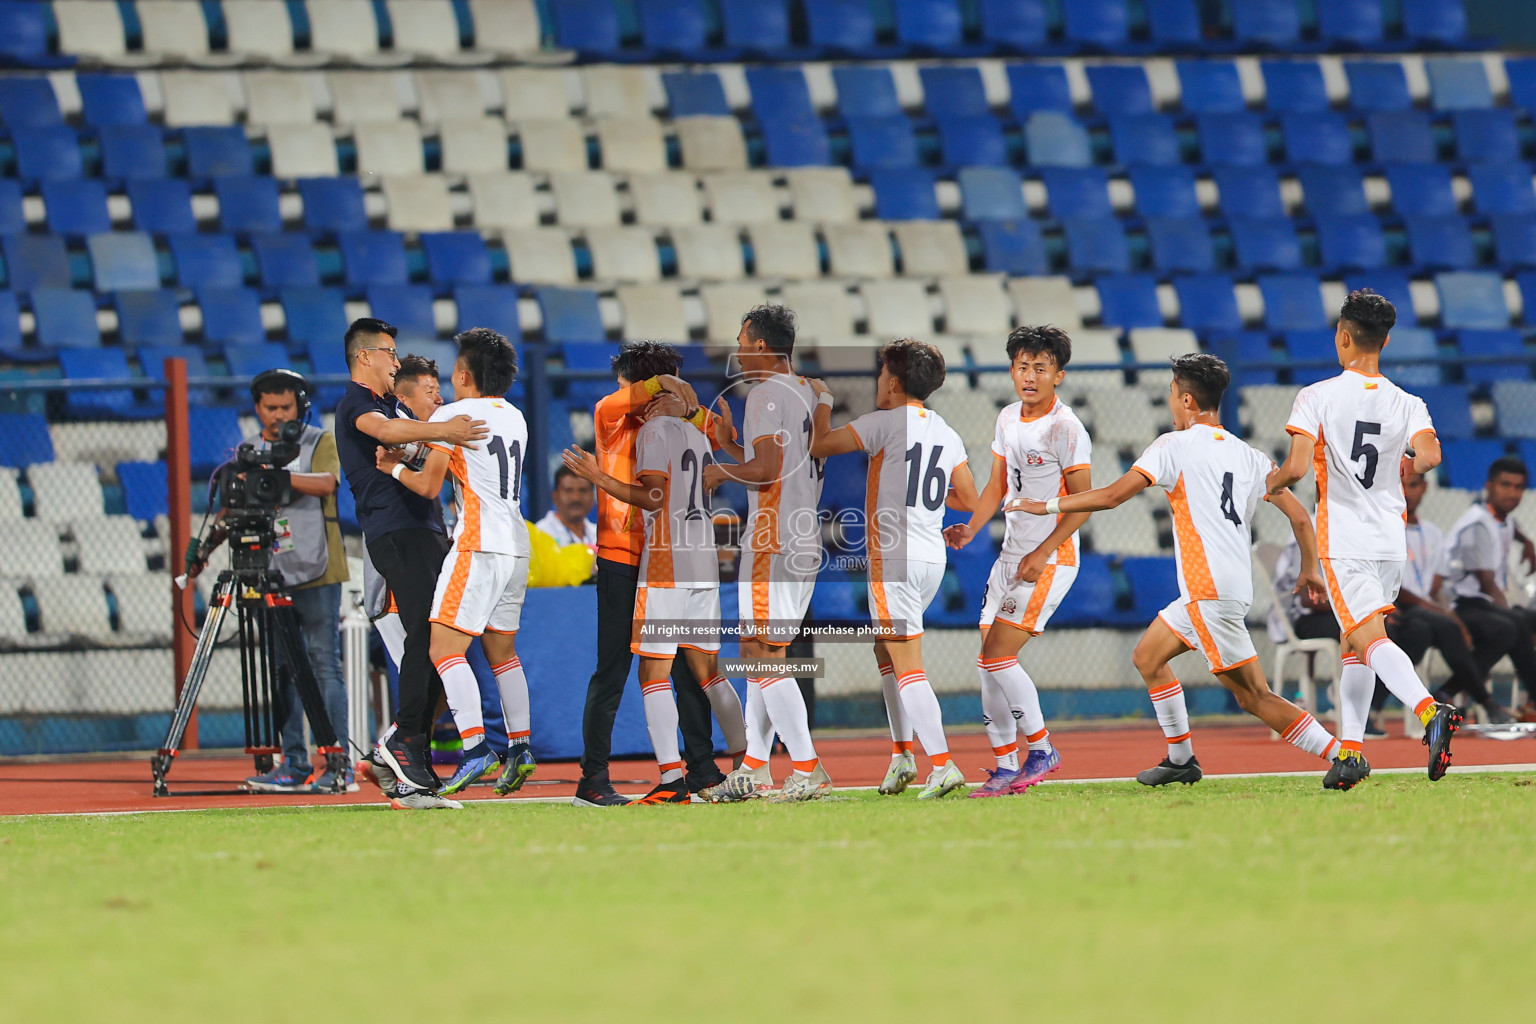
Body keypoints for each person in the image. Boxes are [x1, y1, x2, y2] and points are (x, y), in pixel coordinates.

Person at [1013, 354, 1350, 785]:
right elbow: (1301, 517)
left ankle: (1342, 754)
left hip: (1208, 591)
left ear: (1187, 400)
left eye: (1172, 394)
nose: (1171, 403)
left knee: (1253, 696)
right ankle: (1180, 759)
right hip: (1216, 589)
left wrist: (1045, 504)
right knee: (1148, 657)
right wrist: (1310, 567)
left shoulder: (1172, 446)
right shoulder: (1250, 456)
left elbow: (1113, 496)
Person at [1267, 289, 1459, 786]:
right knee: (1352, 641)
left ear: (1343, 336)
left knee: (1368, 638)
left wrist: (1272, 484)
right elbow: (1430, 457)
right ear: (1386, 340)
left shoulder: (1317, 396)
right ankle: (1351, 752)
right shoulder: (1408, 402)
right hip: (1390, 541)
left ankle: (1428, 709)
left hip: (1344, 538)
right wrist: (1408, 462)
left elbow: (1294, 466)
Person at [807, 339, 979, 799]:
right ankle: (902, 755)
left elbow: (819, 444)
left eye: (882, 373)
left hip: (894, 559)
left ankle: (941, 764)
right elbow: (968, 499)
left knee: (906, 665)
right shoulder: (945, 430)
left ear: (894, 382)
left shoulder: (884, 423)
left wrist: (823, 400)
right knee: (886, 652)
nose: (877, 381)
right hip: (931, 558)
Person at [562, 394, 748, 804]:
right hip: (704, 559)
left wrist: (600, 477)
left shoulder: (652, 431)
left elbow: (655, 498)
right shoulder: (698, 435)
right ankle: (747, 768)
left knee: (653, 674)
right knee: (708, 672)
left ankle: (669, 781)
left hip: (667, 561)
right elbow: (725, 436)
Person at [334, 317, 488, 807]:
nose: (394, 359)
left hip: (423, 532)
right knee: (428, 634)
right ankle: (405, 745)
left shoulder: (387, 408)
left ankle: (404, 760)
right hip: (395, 533)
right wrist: (444, 431)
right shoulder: (357, 404)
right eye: (389, 351)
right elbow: (382, 430)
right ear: (365, 357)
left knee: (438, 638)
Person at [378, 328, 536, 804]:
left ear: (464, 374)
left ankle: (474, 746)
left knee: (443, 648)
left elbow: (428, 486)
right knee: (503, 652)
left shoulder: (453, 414)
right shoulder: (516, 416)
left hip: (478, 542)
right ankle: (521, 747)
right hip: (516, 544)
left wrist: (391, 468)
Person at [941, 326, 1090, 798]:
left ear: (1058, 376)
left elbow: (1084, 502)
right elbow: (996, 486)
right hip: (1011, 556)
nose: (1030, 376)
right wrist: (972, 527)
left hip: (1050, 557)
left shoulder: (1065, 429)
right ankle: (1006, 767)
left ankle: (1042, 749)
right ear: (1012, 370)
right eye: (1023, 366)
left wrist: (1042, 552)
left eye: (1040, 368)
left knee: (999, 655)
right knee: (988, 662)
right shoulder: (1007, 417)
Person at [193, 369, 355, 794]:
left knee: (323, 665)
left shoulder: (321, 440)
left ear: (300, 404)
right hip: (270, 572)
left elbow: (326, 484)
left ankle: (339, 767)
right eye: (271, 407)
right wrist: (205, 546)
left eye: (287, 406)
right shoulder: (249, 451)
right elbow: (233, 507)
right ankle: (294, 765)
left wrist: (275, 479)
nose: (280, 414)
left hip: (318, 568)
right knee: (282, 670)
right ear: (258, 408)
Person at [702, 305, 833, 803]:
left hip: (772, 537)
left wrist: (720, 468)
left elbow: (767, 472)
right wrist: (733, 444)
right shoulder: (805, 392)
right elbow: (786, 464)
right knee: (763, 654)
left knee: (760, 652)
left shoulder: (763, 394)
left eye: (740, 339)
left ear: (759, 345)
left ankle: (807, 767)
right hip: (803, 535)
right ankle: (756, 766)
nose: (737, 350)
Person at [1393, 466, 1512, 722]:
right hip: (1397, 607)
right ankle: (1485, 702)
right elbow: (1402, 593)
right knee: (1447, 625)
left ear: (1424, 488)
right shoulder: (1386, 529)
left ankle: (1447, 696)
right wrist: (1449, 616)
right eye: (1402, 485)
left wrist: (1446, 612)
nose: (1407, 493)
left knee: (1489, 630)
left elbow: (1435, 588)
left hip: (1424, 610)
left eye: (1413, 485)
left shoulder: (1433, 533)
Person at [1439, 456, 1536, 719]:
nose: (1512, 493)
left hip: (1483, 603)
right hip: (1458, 604)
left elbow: (1511, 528)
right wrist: (1510, 611)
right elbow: (1487, 583)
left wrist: (1527, 542)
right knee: (1513, 624)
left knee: (1527, 619)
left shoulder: (1502, 518)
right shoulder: (1478, 525)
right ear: (1489, 486)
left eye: (1518, 487)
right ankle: (1447, 692)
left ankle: (1449, 692)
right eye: (1505, 485)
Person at [537, 466, 598, 548]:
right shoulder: (540, 534)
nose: (576, 497)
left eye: (582, 490)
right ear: (555, 496)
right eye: (568, 490)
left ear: (593, 496)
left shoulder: (599, 535)